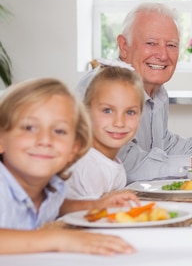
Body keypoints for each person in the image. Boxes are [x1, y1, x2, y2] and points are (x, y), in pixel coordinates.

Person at [77, 3, 192, 183]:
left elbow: (166, 145)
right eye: (151, 43)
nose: (163, 55)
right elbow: (131, 166)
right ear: (124, 46)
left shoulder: (157, 92)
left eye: (171, 45)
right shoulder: (103, 86)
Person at [0, 78, 136, 255]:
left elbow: (57, 205)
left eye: (59, 131)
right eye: (29, 127)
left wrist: (96, 205)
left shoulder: (52, 190)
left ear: (74, 148)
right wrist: (61, 238)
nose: (45, 140)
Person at [66, 65, 144, 199]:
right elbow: (90, 217)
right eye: (107, 110)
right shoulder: (87, 166)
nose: (119, 122)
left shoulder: (112, 163)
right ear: (86, 111)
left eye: (130, 112)